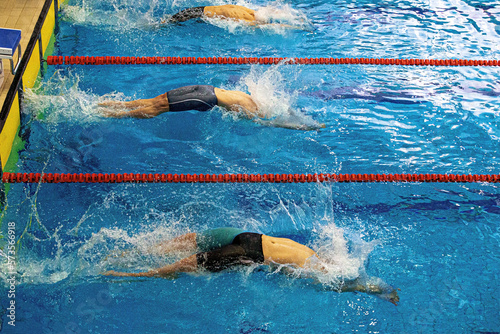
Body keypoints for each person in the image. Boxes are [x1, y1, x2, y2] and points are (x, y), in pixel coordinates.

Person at [102, 227, 400, 305]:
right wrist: (386, 291)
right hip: (250, 253)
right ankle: (131, 274)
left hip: (251, 235)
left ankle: (133, 253)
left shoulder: (310, 252)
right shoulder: (322, 273)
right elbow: (355, 284)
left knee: (190, 241)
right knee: (181, 266)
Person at [98, 85, 325, 130]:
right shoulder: (262, 114)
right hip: (206, 100)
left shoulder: (256, 97)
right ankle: (114, 115)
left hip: (205, 88)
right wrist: (313, 127)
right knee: (158, 109)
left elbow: (288, 115)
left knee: (155, 101)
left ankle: (106, 105)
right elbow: (285, 123)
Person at [167, 5, 259, 24]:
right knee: (171, 22)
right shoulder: (248, 19)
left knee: (172, 20)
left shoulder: (250, 11)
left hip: (202, 9)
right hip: (202, 13)